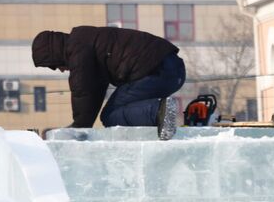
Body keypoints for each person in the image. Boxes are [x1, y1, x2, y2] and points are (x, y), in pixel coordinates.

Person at [31, 26, 184, 140]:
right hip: (171, 68)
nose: (60, 69)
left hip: (157, 71)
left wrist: (79, 127)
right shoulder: (86, 42)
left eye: (55, 65)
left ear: (55, 55)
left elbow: (83, 90)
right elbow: (94, 92)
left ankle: (158, 112)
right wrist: (83, 125)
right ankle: (169, 117)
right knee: (121, 109)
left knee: (111, 115)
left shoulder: (78, 51)